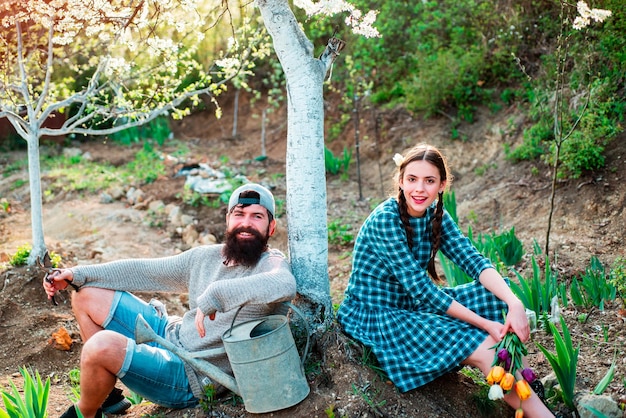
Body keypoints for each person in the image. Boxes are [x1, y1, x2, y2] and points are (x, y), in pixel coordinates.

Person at [43, 183, 297, 418]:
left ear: (271, 228)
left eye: (257, 216)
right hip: (170, 335)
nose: (246, 223)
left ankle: (86, 412)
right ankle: (105, 394)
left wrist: (217, 294)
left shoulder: (270, 264)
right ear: (228, 221)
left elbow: (284, 284)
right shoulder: (205, 258)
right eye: (239, 214)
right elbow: (144, 271)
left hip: (192, 374)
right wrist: (76, 274)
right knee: (86, 294)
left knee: (101, 346)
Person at [337, 144, 554, 417]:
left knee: (500, 294)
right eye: (412, 179)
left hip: (412, 306)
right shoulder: (385, 220)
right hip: (378, 317)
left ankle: (522, 381)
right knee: (486, 345)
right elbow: (424, 291)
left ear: (442, 185)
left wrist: (514, 303)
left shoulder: (435, 215)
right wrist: (486, 324)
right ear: (401, 181)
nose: (419, 189)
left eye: (429, 181)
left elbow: (473, 261)